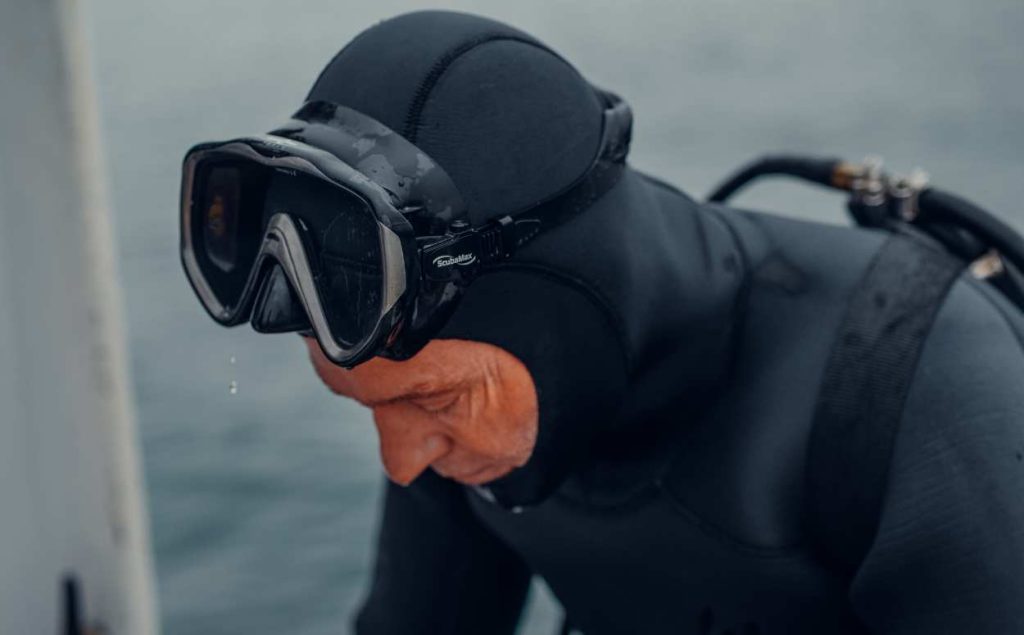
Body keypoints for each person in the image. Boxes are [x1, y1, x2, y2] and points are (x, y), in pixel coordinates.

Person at [179, 10, 1024, 634]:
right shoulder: (465, 412)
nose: (404, 462)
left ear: (563, 331)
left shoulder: (919, 395)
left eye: (429, 406)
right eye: (373, 407)